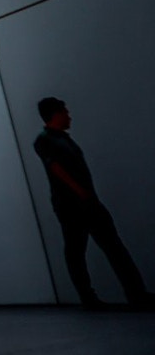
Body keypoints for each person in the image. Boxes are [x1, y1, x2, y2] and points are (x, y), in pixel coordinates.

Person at [33, 97, 152, 309]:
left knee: (111, 247)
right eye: (65, 112)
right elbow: (55, 167)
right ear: (56, 114)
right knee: (79, 251)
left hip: (86, 202)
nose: (69, 116)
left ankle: (136, 294)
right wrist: (79, 191)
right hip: (71, 206)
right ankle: (92, 298)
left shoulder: (63, 139)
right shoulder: (44, 140)